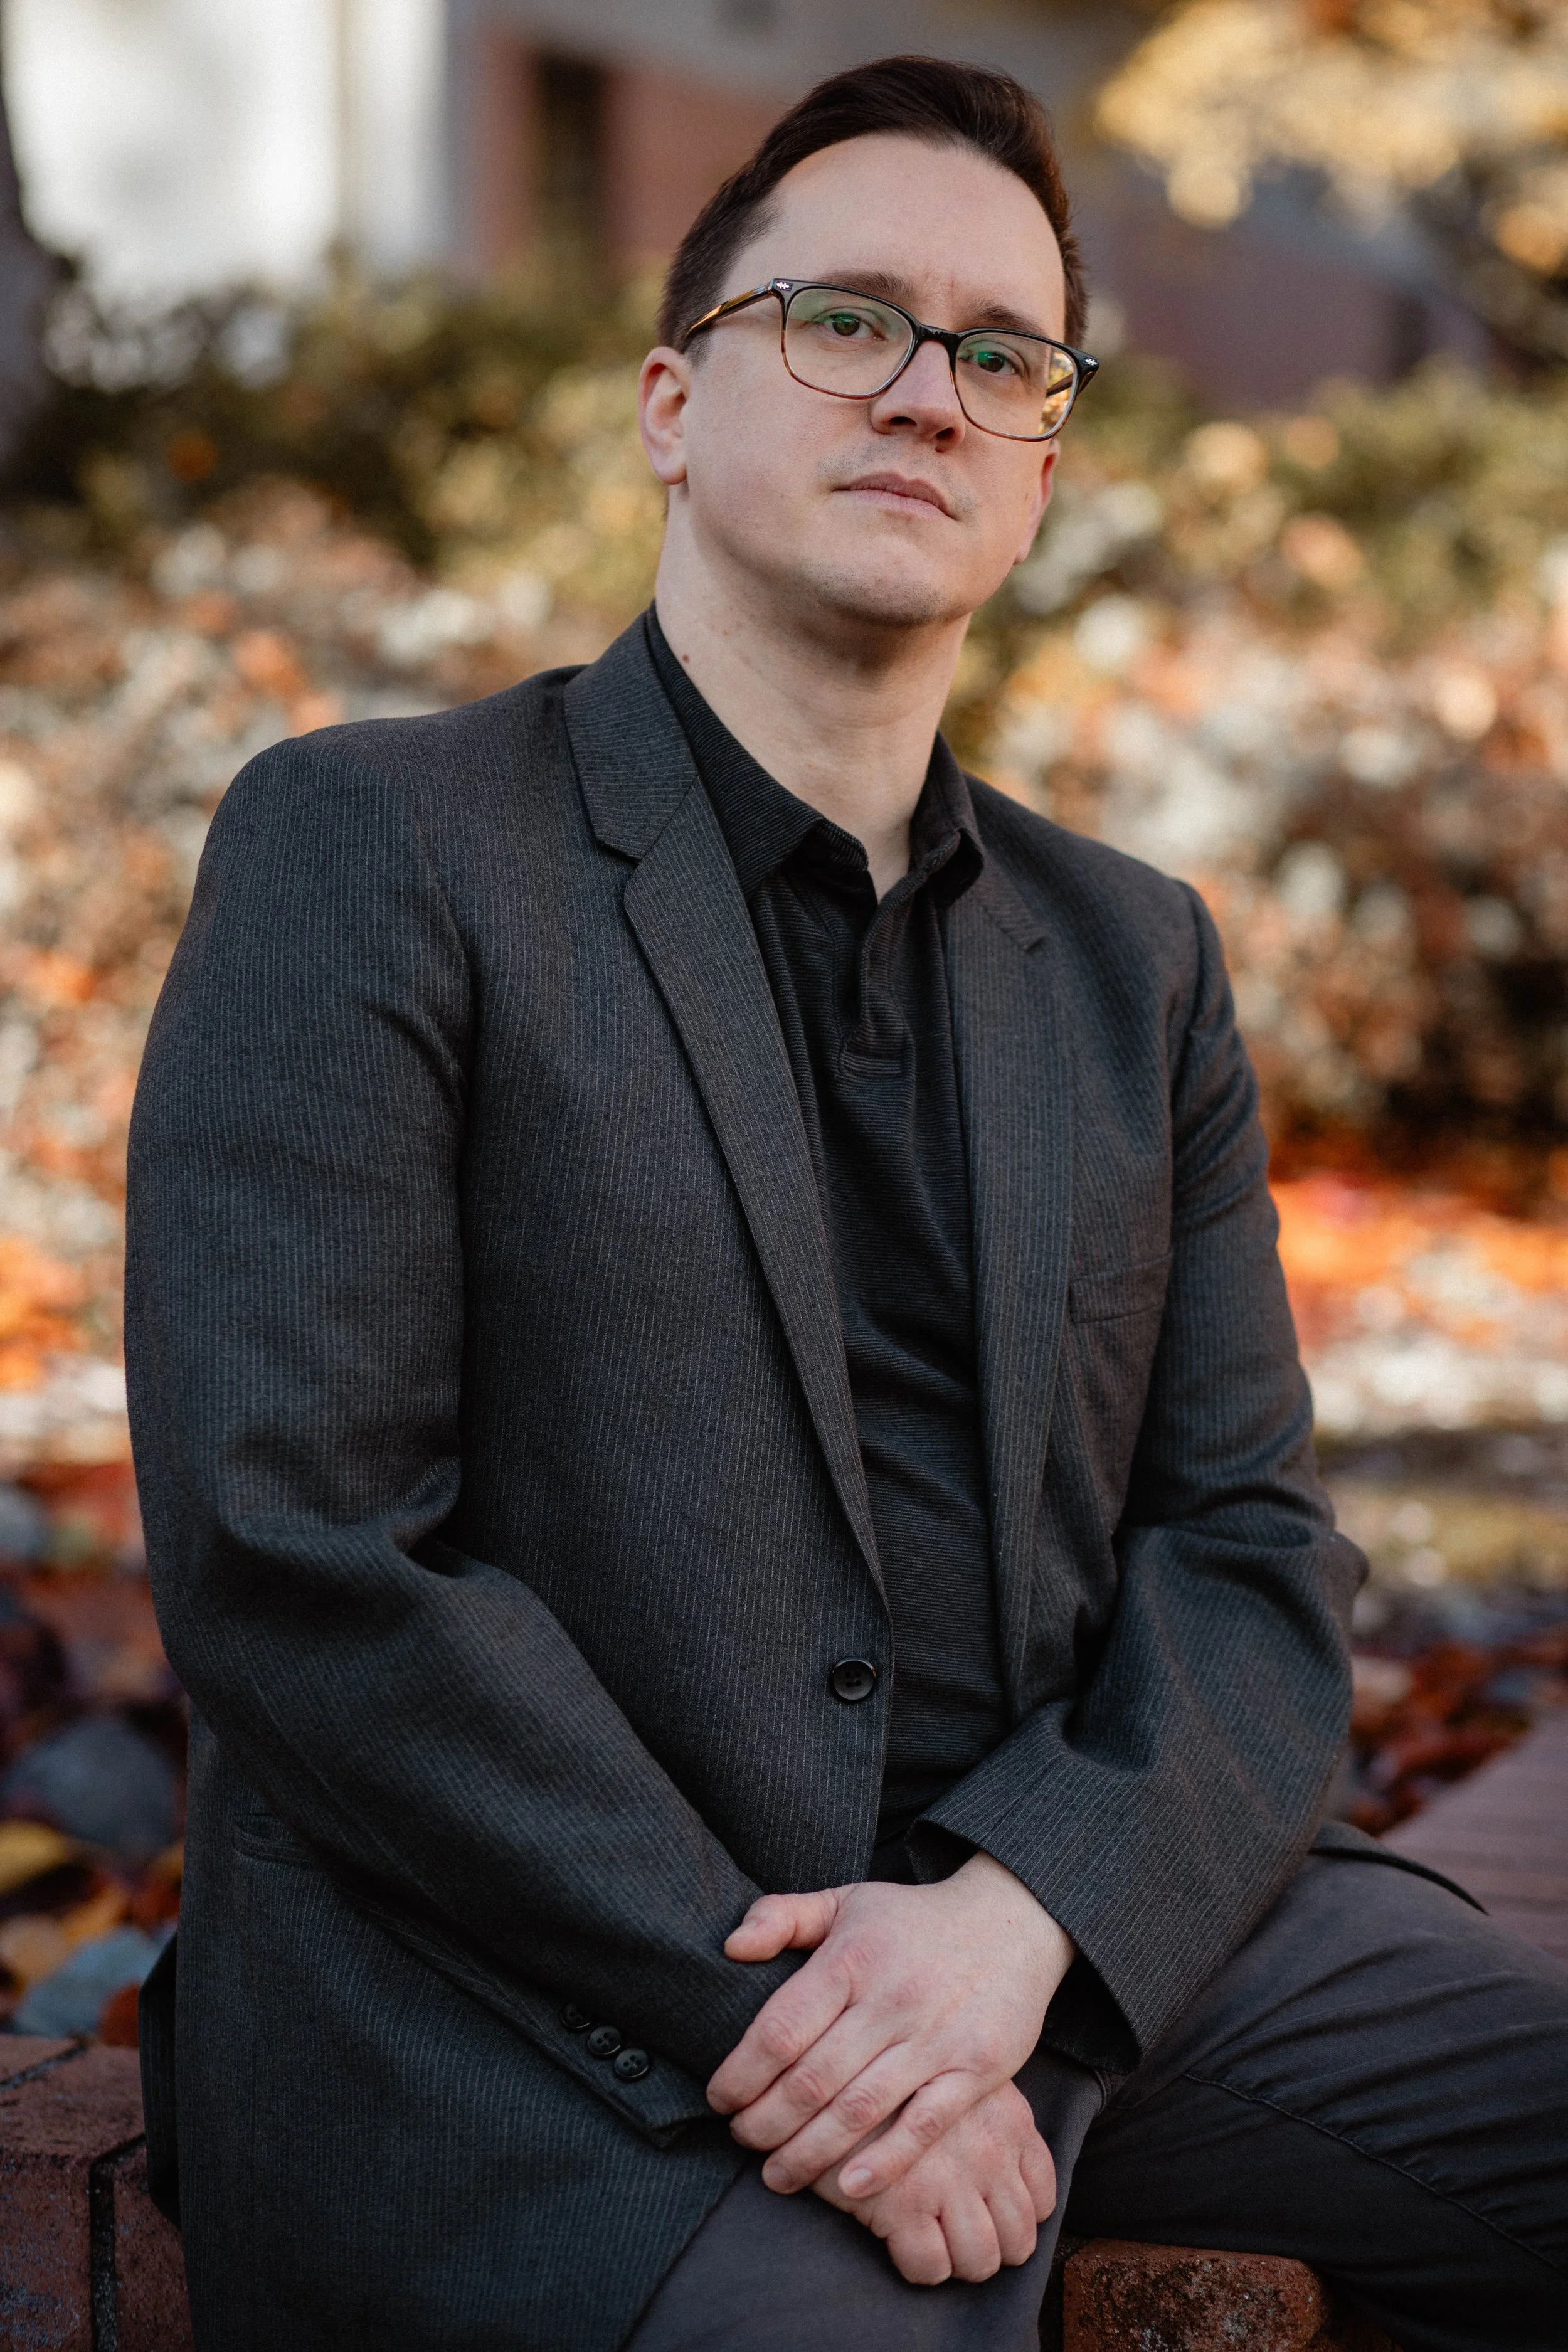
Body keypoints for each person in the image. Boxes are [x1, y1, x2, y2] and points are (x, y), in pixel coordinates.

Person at [125, 54, 1567, 2352]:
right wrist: (808, 2033)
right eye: (847, 320)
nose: (926, 392)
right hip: (548, 2011)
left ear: (1042, 469)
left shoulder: (1132, 954)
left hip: (1078, 1942)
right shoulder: (376, 847)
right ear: (673, 404)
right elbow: (297, 1550)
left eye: (1001, 355)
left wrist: (1017, 1921)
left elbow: (1251, 1546)